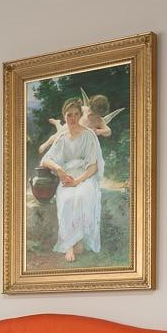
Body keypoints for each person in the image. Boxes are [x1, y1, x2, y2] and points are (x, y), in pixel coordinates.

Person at [35, 96, 110, 263]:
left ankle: (80, 238)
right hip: (67, 175)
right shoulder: (62, 138)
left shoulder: (89, 135)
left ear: (80, 115)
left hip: (85, 175)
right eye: (69, 115)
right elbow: (46, 160)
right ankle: (69, 244)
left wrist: (77, 181)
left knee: (83, 195)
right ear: (64, 116)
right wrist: (60, 170)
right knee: (67, 198)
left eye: (76, 114)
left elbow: (93, 166)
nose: (73, 118)